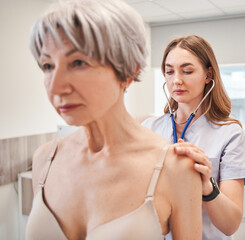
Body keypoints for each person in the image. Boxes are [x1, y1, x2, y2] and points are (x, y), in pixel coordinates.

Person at [25, 1, 202, 239]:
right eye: (48, 66)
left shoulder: (176, 168)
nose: (56, 87)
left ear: (128, 71)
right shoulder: (45, 160)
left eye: (78, 63)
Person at [142, 35, 245, 240]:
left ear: (208, 75)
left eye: (187, 71)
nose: (176, 79)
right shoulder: (148, 128)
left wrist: (208, 187)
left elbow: (230, 224)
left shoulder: (230, 134)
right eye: (169, 71)